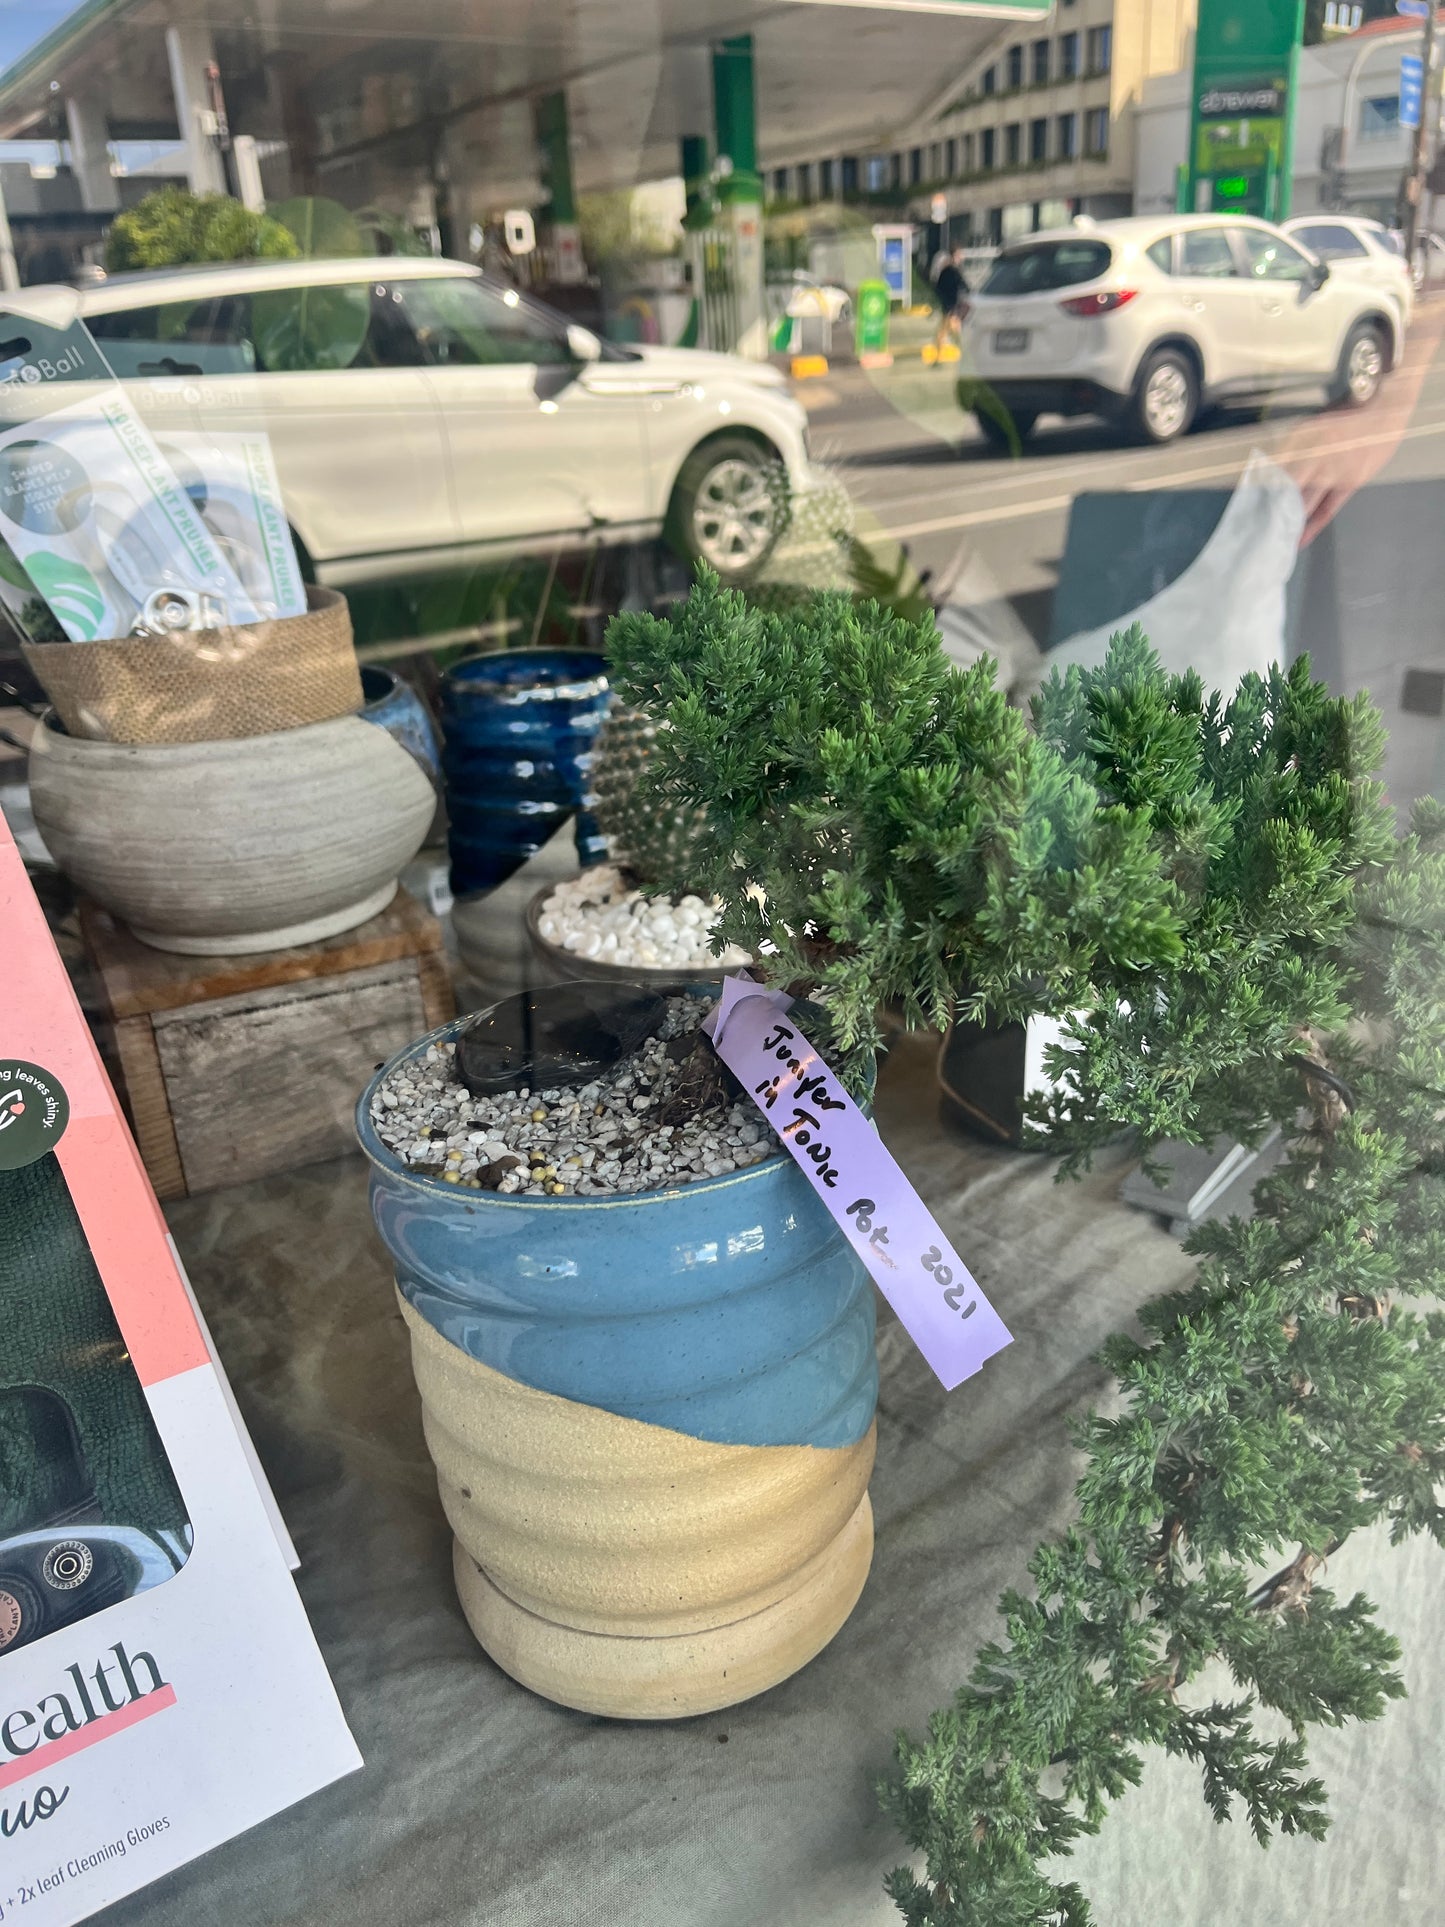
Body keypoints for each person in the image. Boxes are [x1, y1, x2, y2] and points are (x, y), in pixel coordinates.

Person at [932, 247, 968, 359]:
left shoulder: (945, 271)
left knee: (946, 329)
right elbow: (964, 285)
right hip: (951, 305)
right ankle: (963, 351)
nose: (961, 258)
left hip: (946, 304)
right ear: (954, 256)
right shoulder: (954, 271)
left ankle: (939, 353)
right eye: (959, 255)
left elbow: (938, 287)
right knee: (953, 328)